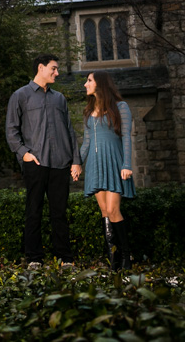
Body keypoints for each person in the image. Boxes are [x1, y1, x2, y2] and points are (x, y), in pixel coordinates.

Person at [6, 54, 82, 268]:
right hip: (35, 163)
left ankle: (65, 258)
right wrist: (24, 154)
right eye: (54, 68)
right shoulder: (20, 96)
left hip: (61, 163)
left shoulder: (60, 99)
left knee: (60, 213)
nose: (57, 73)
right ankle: (34, 258)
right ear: (41, 68)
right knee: (34, 211)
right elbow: (11, 131)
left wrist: (76, 160)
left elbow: (69, 130)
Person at [80, 71, 135, 269]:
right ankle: (113, 259)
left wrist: (127, 165)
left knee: (113, 210)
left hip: (113, 162)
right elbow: (86, 143)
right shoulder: (88, 111)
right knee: (104, 211)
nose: (86, 84)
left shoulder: (120, 107)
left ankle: (126, 258)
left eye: (89, 81)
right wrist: (77, 163)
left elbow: (126, 136)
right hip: (95, 164)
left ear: (100, 84)